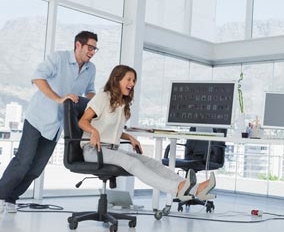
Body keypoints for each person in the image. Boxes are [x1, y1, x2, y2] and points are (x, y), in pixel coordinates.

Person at [0, 30, 99, 213]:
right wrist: (59, 99)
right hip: (38, 118)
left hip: (57, 125)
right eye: (90, 47)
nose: (92, 52)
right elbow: (37, 78)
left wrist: (91, 104)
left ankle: (12, 197)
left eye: (95, 49)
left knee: (36, 169)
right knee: (23, 161)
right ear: (78, 45)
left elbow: (90, 91)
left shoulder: (91, 69)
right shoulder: (59, 58)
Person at [78, 65, 216, 202]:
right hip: (93, 150)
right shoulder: (103, 96)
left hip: (110, 149)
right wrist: (93, 131)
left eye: (134, 81)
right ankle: (178, 188)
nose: (132, 84)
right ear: (116, 79)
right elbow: (83, 121)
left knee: (151, 162)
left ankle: (193, 188)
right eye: (129, 79)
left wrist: (129, 136)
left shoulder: (121, 103)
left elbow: (111, 130)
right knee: (132, 162)